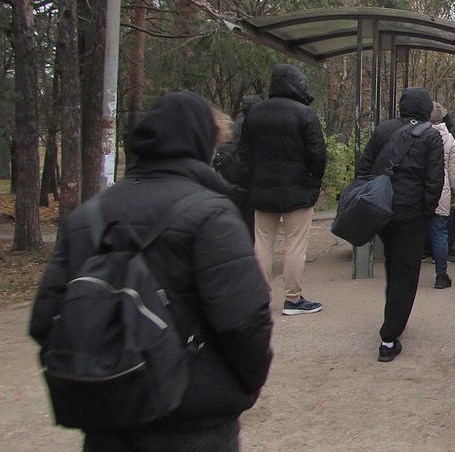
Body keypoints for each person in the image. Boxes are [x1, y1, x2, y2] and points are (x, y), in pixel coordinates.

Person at [30, 92, 273, 450]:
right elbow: (243, 321)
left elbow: (44, 319)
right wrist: (243, 385)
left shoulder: (86, 216)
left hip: (108, 416)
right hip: (192, 420)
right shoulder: (212, 216)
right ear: (200, 144)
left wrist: (104, 370)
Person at [355, 87, 444, 362]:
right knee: (405, 273)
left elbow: (364, 167)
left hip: (382, 211)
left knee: (393, 264)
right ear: (427, 108)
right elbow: (434, 180)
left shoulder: (383, 130)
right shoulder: (431, 136)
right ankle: (389, 338)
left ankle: (392, 315)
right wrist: (427, 212)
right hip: (411, 214)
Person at [238, 64, 328, 316]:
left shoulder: (254, 114)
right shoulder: (304, 114)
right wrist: (314, 184)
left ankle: (260, 298)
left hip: (262, 190)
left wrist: (252, 180)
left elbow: (243, 153)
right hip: (297, 192)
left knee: (262, 244)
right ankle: (293, 299)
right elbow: (317, 153)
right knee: (295, 245)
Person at [212, 94, 260, 236]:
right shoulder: (256, 125)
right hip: (251, 177)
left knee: (237, 213)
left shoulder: (233, 126)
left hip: (232, 177)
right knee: (251, 217)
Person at [429, 101, 455, 288]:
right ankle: (441, 275)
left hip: (417, 193)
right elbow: (453, 171)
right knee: (440, 233)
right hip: (442, 190)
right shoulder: (449, 139)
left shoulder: (416, 134)